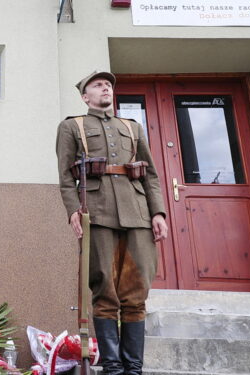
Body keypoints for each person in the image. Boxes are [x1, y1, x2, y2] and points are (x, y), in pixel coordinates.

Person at [55, 71, 168, 375]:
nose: (105, 87)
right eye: (97, 85)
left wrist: (158, 213)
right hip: (97, 212)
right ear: (85, 96)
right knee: (104, 289)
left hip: (138, 214)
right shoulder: (71, 126)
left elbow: (151, 175)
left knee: (137, 290)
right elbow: (66, 177)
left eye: (108, 84)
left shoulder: (132, 127)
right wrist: (72, 211)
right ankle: (113, 368)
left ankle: (133, 368)